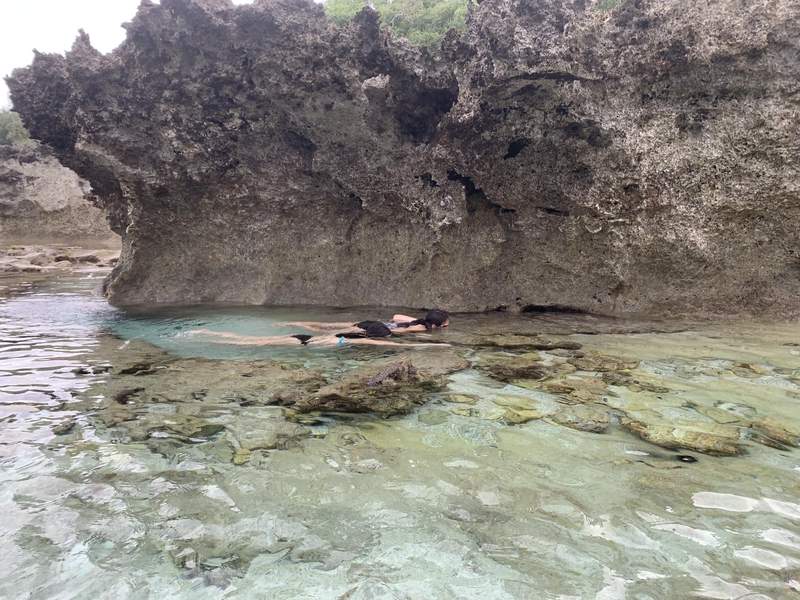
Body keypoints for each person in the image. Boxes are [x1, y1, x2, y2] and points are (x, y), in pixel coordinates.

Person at [186, 321, 449, 348]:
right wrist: (437, 347)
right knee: (249, 344)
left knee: (247, 341)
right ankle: (208, 337)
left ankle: (207, 331)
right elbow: (400, 348)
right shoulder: (364, 342)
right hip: (303, 344)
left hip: (302, 338)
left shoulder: (352, 334)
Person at [279, 310, 450, 334]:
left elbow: (396, 316)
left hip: (372, 322)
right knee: (328, 333)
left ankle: (298, 322)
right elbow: (399, 331)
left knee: (336, 326)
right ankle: (305, 328)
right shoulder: (421, 328)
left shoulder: (416, 321)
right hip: (378, 328)